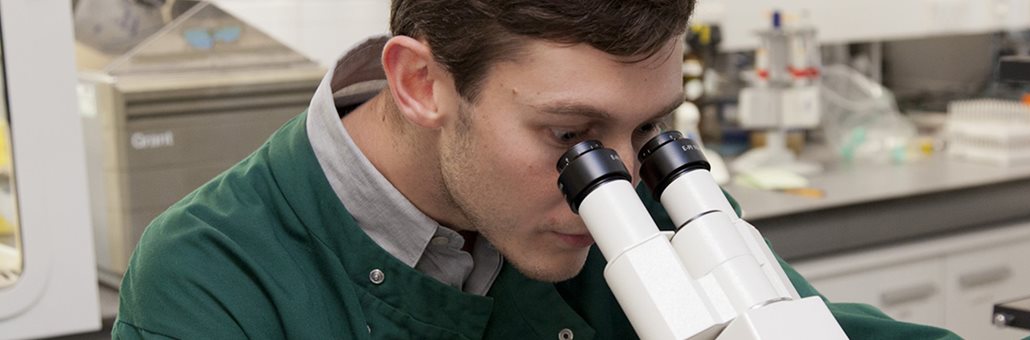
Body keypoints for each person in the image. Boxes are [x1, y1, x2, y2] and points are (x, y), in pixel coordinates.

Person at [114, 1, 960, 339]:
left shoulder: (642, 192)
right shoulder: (208, 274)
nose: (619, 182)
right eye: (571, 135)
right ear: (422, 84)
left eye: (652, 128)